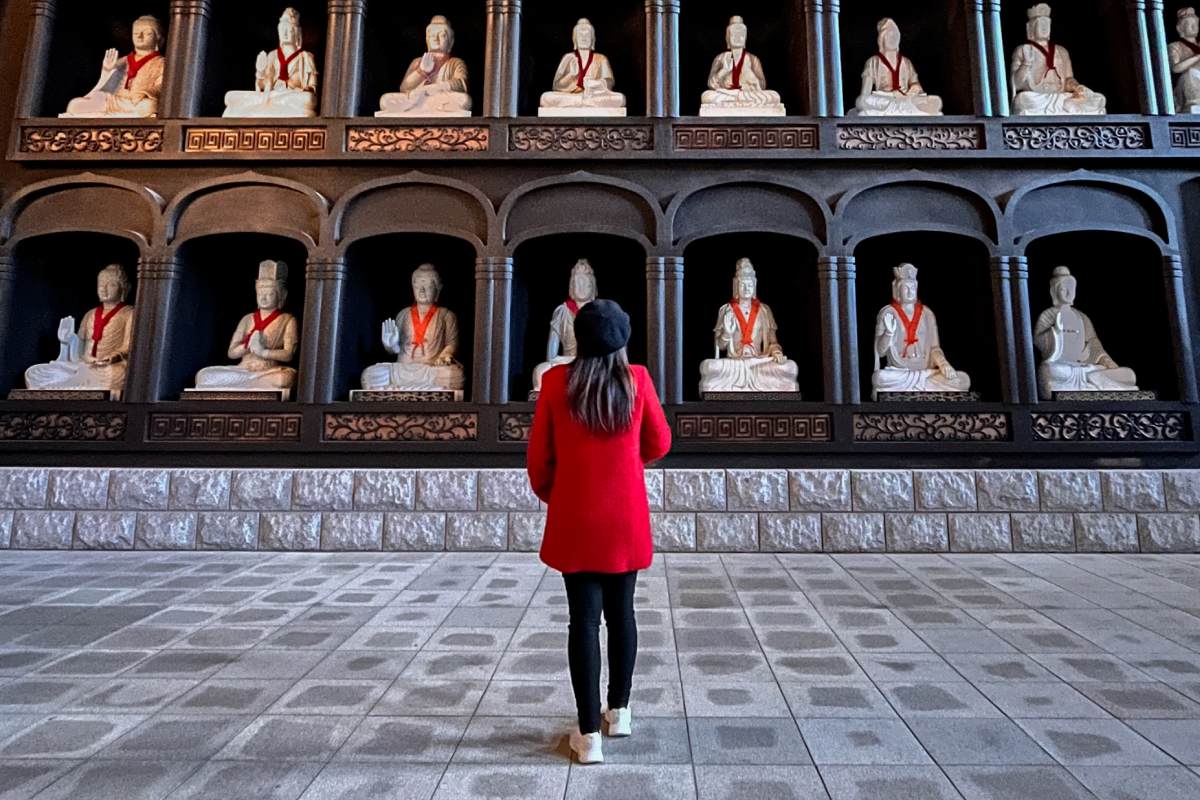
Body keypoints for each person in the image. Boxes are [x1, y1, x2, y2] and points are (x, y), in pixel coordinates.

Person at [526, 299, 672, 765]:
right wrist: (627, 466)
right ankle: (620, 710)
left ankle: (588, 734)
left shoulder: (554, 384)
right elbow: (660, 442)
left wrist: (564, 494)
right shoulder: (638, 380)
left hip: (575, 517)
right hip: (624, 518)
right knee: (622, 613)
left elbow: (538, 463)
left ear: (578, 339)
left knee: (583, 622)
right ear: (622, 342)